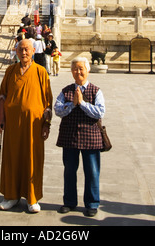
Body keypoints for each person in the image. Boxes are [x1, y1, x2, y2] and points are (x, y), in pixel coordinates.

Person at [0, 38, 52, 213]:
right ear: (16, 51)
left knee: (32, 159)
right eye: (21, 49)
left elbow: (48, 100)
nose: (24, 52)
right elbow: (2, 95)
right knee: (12, 157)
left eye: (27, 49)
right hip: (12, 124)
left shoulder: (41, 71)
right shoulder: (10, 70)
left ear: (34, 51)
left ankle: (32, 197)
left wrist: (46, 124)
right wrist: (0, 117)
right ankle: (11, 195)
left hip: (33, 125)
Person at [54, 57, 105, 217]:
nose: (78, 72)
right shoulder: (66, 91)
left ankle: (92, 203)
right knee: (69, 170)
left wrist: (82, 103)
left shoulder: (96, 91)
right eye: (75, 69)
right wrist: (72, 104)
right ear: (71, 71)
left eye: (81, 68)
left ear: (88, 70)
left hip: (91, 137)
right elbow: (58, 109)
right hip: (70, 136)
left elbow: (100, 112)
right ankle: (69, 201)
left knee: (92, 171)